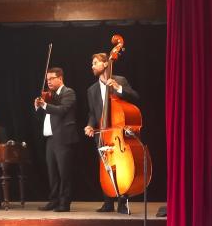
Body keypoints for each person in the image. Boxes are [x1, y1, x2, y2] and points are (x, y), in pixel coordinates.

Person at [84, 52, 140, 214]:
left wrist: (118, 88)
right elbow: (92, 113)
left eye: (95, 63)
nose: (92, 66)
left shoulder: (119, 80)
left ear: (106, 64)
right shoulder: (91, 90)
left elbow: (135, 97)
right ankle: (107, 202)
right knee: (105, 167)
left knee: (122, 167)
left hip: (119, 134)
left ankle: (123, 202)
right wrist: (90, 125)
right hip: (102, 134)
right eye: (92, 63)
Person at [34, 67, 78, 212]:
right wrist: (38, 107)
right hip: (51, 139)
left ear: (60, 78)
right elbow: (43, 117)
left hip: (63, 138)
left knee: (64, 173)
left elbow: (62, 110)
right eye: (47, 79)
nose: (49, 82)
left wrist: (45, 104)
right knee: (52, 172)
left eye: (52, 79)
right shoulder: (49, 96)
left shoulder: (68, 92)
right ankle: (54, 200)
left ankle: (64, 203)